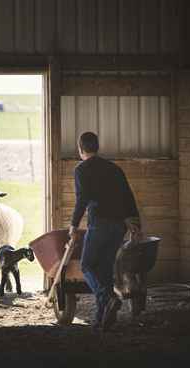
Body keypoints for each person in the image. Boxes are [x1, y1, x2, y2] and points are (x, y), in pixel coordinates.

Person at [68, 132, 141, 332]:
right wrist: (135, 224)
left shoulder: (81, 169)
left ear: (80, 149)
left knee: (87, 265)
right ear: (97, 147)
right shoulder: (114, 168)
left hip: (99, 223)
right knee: (105, 270)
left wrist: (73, 225)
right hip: (118, 227)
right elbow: (128, 196)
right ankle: (102, 319)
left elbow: (82, 199)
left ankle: (108, 298)